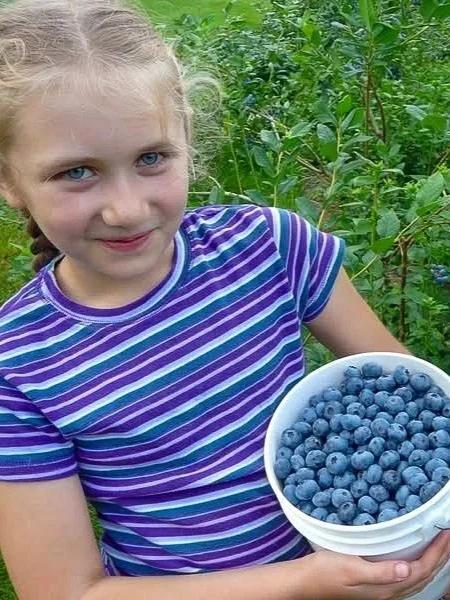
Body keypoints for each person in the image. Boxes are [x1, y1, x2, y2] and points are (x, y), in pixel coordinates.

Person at [0, 1, 449, 599]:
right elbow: (66, 592)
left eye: (151, 158)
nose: (127, 208)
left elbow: (414, 402)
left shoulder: (270, 248)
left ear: (187, 139)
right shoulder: (19, 364)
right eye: (77, 172)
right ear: (9, 180)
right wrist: (305, 584)